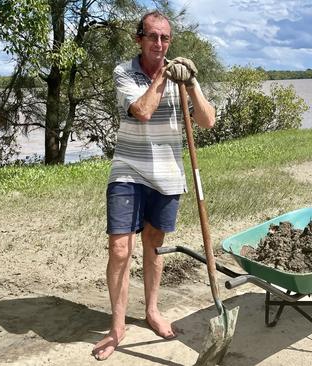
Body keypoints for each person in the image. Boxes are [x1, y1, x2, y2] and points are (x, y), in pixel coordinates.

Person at [92, 10, 216, 361]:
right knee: (119, 249)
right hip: (128, 171)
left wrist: (191, 84)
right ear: (139, 39)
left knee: (155, 245)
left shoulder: (182, 75)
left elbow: (207, 121)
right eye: (152, 37)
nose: (159, 44)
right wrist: (163, 77)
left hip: (168, 174)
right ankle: (117, 327)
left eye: (164, 38)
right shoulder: (124, 72)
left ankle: (151, 310)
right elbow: (143, 110)